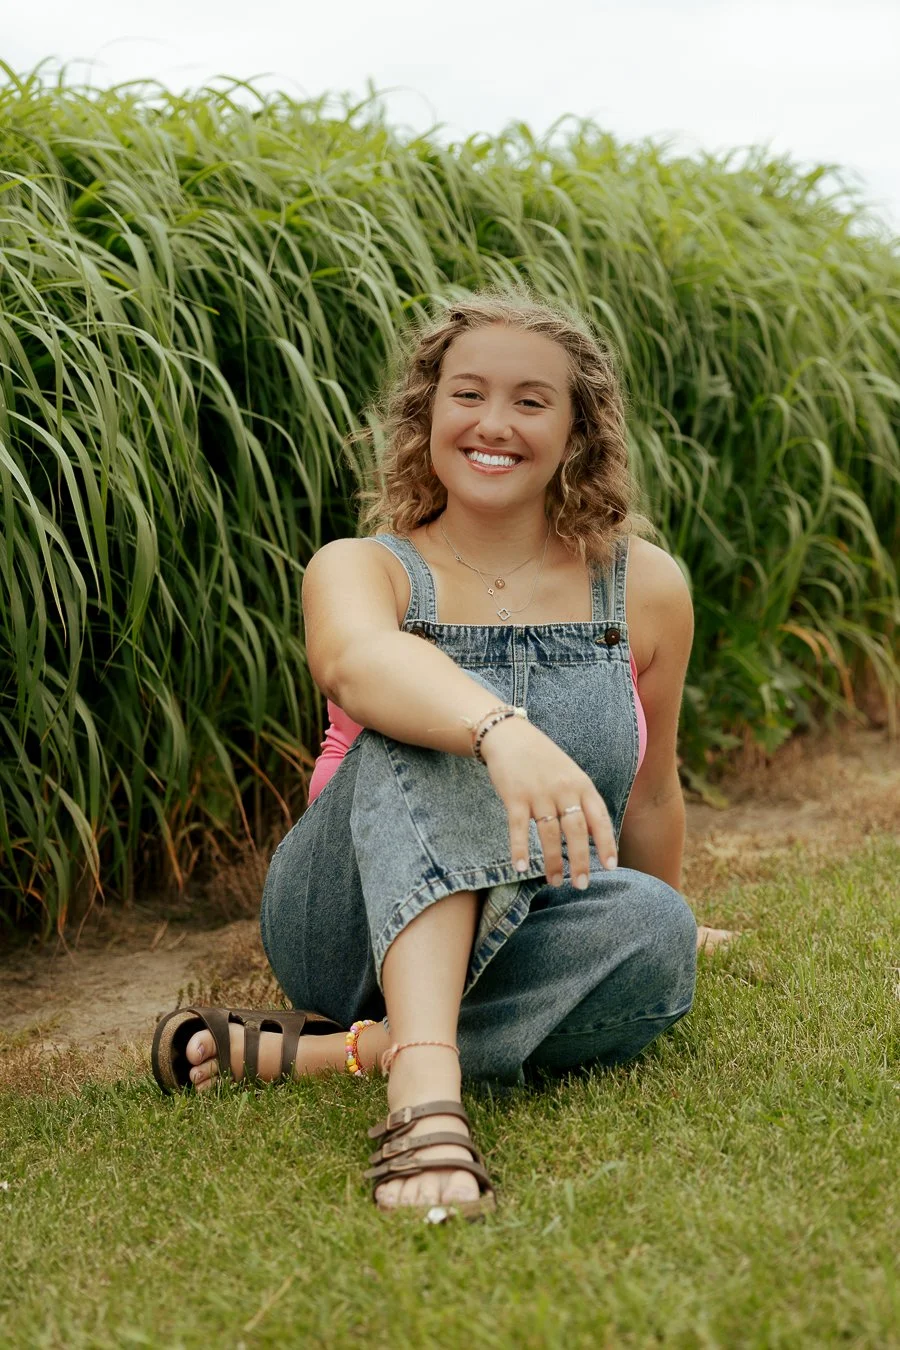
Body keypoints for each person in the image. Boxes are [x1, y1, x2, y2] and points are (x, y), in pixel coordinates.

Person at [152, 292, 700, 1220]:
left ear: (577, 432)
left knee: (655, 934)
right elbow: (359, 662)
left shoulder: (642, 586)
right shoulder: (362, 566)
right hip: (347, 919)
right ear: (429, 415)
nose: (494, 424)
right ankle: (425, 1098)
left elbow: (651, 795)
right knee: (437, 724)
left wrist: (668, 914)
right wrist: (502, 729)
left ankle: (336, 1053)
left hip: (528, 921)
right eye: (468, 394)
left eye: (531, 402)